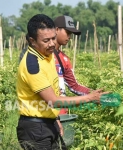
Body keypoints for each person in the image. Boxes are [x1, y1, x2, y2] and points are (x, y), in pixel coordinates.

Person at [16, 14, 108, 150]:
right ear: (32, 41)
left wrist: (55, 118)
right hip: (35, 130)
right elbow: (53, 100)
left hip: (47, 123)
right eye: (46, 40)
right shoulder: (33, 66)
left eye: (53, 38)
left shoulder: (48, 55)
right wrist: (90, 98)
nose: (52, 43)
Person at [54, 15, 101, 114]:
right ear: (56, 29)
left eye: (70, 34)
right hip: (45, 115)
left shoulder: (64, 59)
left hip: (62, 114)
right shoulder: (42, 56)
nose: (69, 37)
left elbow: (74, 86)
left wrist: (94, 94)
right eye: (67, 32)